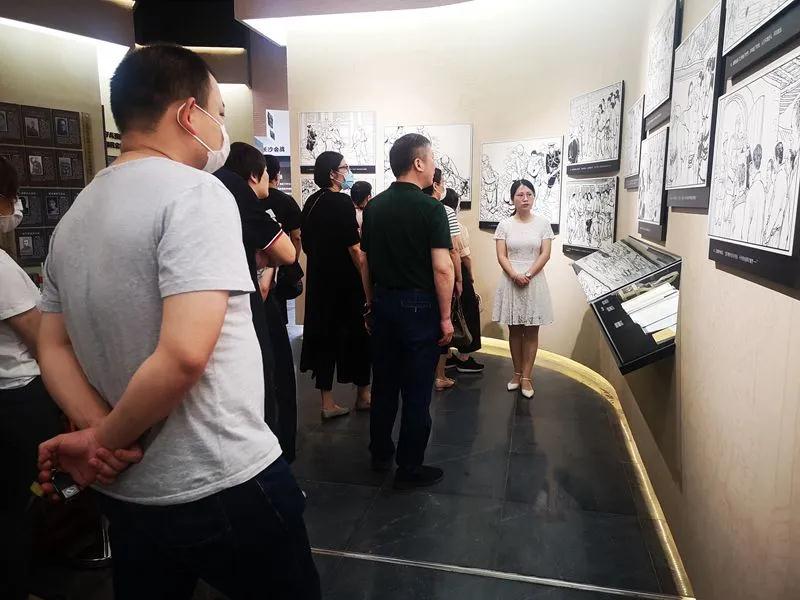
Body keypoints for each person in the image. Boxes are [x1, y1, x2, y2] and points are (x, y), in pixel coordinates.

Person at [34, 45, 320, 599]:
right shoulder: (196, 193)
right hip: (221, 476)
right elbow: (185, 354)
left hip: (129, 488)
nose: (221, 129)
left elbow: (53, 346)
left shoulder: (75, 215)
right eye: (219, 112)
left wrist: (96, 434)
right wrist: (104, 440)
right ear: (190, 114)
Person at [361, 133, 454, 490]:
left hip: (384, 303)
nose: (433, 166)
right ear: (418, 163)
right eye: (431, 159)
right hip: (419, 306)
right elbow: (442, 268)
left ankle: (379, 452)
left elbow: (365, 262)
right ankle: (409, 466)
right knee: (416, 389)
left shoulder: (374, 207)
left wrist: (371, 301)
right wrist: (445, 317)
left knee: (384, 383)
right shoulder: (431, 209)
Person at [0, 156, 66, 600]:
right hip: (18, 398)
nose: (16, 208)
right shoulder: (2, 268)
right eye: (12, 198)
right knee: (19, 501)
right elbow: (43, 339)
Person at [214, 143, 296, 458]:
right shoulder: (236, 190)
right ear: (254, 175)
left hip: (218, 307)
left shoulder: (210, 185)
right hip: (245, 308)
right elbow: (287, 252)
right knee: (269, 377)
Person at [300, 151, 371, 419]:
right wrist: (366, 281)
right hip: (345, 283)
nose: (348, 172)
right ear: (333, 173)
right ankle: (363, 395)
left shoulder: (311, 201)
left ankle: (327, 402)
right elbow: (354, 248)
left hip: (320, 281)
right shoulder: (341, 202)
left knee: (324, 338)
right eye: (345, 167)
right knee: (360, 336)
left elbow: (306, 243)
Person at [493, 179, 554, 400]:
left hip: (534, 280)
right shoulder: (504, 225)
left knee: (531, 331)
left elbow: (545, 254)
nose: (525, 198)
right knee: (515, 330)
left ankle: (527, 376)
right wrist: (514, 275)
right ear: (513, 199)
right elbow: (501, 256)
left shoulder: (543, 223)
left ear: (534, 197)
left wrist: (527, 274)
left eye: (529, 194)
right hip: (511, 280)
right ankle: (517, 373)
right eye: (520, 195)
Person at [263, 153, 303, 462]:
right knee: (278, 365)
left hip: (256, 294)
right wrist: (289, 262)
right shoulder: (283, 203)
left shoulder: (236, 201)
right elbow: (295, 242)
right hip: (268, 290)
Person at [423, 168, 462, 391]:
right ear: (436, 184)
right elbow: (453, 250)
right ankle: (439, 375)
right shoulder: (443, 210)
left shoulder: (413, 208)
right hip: (440, 279)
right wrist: (459, 280)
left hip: (416, 281)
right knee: (442, 329)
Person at [441, 188, 484, 374]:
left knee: (445, 313)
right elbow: (463, 255)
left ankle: (446, 355)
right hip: (457, 273)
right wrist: (468, 277)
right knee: (467, 312)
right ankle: (464, 357)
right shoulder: (458, 225)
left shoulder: (434, 218)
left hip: (439, 274)